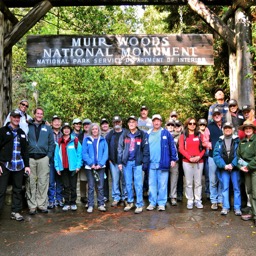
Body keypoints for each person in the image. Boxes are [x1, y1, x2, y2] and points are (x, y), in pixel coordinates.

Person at [0, 110, 30, 221]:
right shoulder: (2, 131)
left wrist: (27, 166)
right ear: (10, 118)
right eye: (14, 117)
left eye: (18, 117)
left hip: (19, 166)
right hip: (5, 165)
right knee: (1, 190)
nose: (16, 119)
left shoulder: (22, 133)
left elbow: (25, 151)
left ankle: (16, 212)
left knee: (17, 189)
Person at [26, 107, 55, 215]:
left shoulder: (47, 128)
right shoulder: (28, 126)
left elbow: (51, 143)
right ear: (34, 114)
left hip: (43, 158)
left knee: (43, 182)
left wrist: (48, 156)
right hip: (30, 158)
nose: (39, 115)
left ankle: (41, 205)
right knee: (30, 182)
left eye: (41, 114)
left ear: (43, 115)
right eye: (37, 113)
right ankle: (32, 206)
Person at [118, 115, 150, 214]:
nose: (131, 124)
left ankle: (139, 204)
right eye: (129, 122)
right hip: (126, 162)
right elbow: (120, 148)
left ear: (136, 123)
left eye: (133, 122)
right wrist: (120, 162)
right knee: (128, 183)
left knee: (138, 184)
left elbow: (146, 150)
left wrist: (145, 162)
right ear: (128, 124)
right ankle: (130, 202)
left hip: (138, 163)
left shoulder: (142, 134)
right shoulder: (124, 134)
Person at [146, 114, 178, 211]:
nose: (156, 122)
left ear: (161, 122)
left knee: (162, 184)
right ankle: (152, 202)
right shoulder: (148, 133)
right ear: (152, 122)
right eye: (154, 121)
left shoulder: (166, 133)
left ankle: (161, 203)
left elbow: (172, 146)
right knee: (152, 185)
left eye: (158, 120)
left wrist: (173, 159)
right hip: (151, 164)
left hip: (163, 163)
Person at [213, 122, 241, 215]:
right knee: (225, 188)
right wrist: (224, 165)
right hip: (224, 168)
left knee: (236, 188)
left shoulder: (237, 140)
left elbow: (239, 154)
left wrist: (233, 164)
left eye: (229, 128)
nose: (227, 129)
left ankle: (237, 208)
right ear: (223, 130)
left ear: (232, 129)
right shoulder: (219, 141)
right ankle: (225, 207)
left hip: (235, 168)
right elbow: (216, 155)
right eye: (226, 128)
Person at [54, 123, 82, 211]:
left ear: (70, 130)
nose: (66, 130)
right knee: (65, 186)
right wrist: (57, 167)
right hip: (63, 167)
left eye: (68, 128)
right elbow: (56, 156)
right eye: (64, 129)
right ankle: (66, 202)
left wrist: (78, 166)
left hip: (73, 167)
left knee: (73, 186)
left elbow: (79, 154)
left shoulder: (75, 140)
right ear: (62, 131)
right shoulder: (59, 142)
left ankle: (73, 202)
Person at [179, 118, 205, 209]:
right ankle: (190, 200)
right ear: (187, 124)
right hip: (187, 162)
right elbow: (181, 149)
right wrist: (189, 157)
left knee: (198, 182)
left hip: (199, 161)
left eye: (194, 123)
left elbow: (204, 148)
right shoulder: (183, 135)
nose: (192, 125)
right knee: (188, 182)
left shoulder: (199, 135)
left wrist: (199, 157)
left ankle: (198, 200)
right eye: (190, 123)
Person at [82, 123, 108, 213]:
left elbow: (105, 153)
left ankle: (101, 204)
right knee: (91, 186)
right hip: (90, 167)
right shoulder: (86, 140)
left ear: (98, 130)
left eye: (96, 129)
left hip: (100, 167)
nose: (94, 130)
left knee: (100, 186)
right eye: (93, 129)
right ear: (91, 130)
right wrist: (91, 163)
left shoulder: (103, 140)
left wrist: (100, 164)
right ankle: (90, 205)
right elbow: (84, 153)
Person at [203, 107, 223, 210]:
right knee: (213, 179)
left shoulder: (226, 126)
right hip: (212, 156)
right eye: (215, 114)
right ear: (213, 116)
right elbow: (205, 141)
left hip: (224, 157)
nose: (217, 116)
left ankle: (220, 200)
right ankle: (214, 200)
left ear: (221, 115)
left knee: (222, 179)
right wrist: (214, 146)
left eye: (218, 114)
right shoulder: (209, 127)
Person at [106, 116, 127, 207]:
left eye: (118, 121)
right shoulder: (110, 134)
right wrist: (109, 159)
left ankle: (125, 197)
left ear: (121, 122)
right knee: (115, 180)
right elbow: (105, 147)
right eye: (115, 122)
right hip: (113, 162)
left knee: (125, 180)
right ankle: (116, 198)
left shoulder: (126, 133)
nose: (116, 123)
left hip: (124, 162)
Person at [237, 122, 256, 226]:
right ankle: (253, 212)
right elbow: (238, 156)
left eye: (250, 128)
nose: (248, 130)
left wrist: (249, 166)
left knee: (255, 192)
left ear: (253, 129)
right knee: (249, 191)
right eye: (246, 128)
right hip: (246, 170)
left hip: (254, 169)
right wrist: (241, 167)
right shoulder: (242, 142)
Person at [48, 115, 63, 209]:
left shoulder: (63, 133)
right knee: (51, 181)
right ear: (51, 123)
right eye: (55, 121)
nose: (57, 123)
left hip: (61, 161)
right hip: (51, 160)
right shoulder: (49, 133)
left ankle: (59, 198)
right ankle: (51, 200)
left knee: (60, 181)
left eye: (58, 121)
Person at [78, 118, 92, 205]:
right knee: (83, 180)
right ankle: (83, 196)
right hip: (83, 161)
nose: (86, 126)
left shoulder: (94, 134)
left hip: (93, 162)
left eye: (88, 124)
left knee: (92, 180)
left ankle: (93, 197)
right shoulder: (80, 135)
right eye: (85, 124)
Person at [165, 119, 179, 206]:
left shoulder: (179, 135)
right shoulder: (162, 134)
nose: (170, 126)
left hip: (175, 161)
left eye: (172, 125)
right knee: (164, 179)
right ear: (166, 126)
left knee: (174, 179)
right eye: (168, 125)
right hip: (165, 160)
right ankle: (164, 196)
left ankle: (173, 196)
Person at [100, 118, 112, 202]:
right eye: (103, 124)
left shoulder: (112, 133)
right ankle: (105, 196)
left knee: (116, 178)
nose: (105, 125)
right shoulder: (98, 134)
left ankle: (119, 196)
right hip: (103, 159)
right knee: (104, 178)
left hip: (112, 159)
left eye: (106, 123)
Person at [198, 118, 210, 199]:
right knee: (197, 177)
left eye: (204, 125)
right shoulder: (196, 133)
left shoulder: (209, 132)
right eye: (200, 124)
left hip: (207, 155)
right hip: (198, 156)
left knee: (208, 175)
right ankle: (198, 194)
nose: (202, 126)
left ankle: (208, 192)